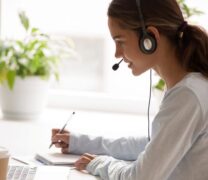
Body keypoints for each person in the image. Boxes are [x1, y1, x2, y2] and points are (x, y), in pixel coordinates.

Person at [51, 0, 208, 179]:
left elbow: (140, 177)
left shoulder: (187, 95)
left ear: (149, 38)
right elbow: (152, 144)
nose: (117, 54)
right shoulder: (189, 87)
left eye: (120, 41)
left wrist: (99, 163)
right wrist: (80, 142)